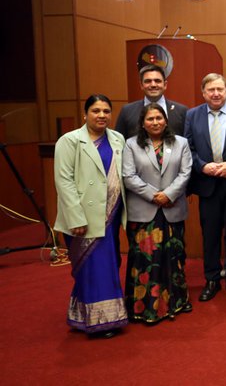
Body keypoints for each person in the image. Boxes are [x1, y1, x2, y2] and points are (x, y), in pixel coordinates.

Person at [54, 94, 128, 338]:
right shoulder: (70, 141)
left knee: (108, 264)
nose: (102, 115)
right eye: (96, 111)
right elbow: (64, 182)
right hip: (83, 219)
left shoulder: (117, 138)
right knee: (92, 268)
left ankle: (82, 315)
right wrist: (76, 218)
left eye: (106, 111)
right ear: (85, 114)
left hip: (111, 215)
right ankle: (100, 321)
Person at [184, 73, 226, 302]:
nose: (215, 94)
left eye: (219, 89)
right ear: (203, 93)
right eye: (210, 90)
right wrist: (202, 167)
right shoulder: (192, 115)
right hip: (207, 185)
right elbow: (188, 149)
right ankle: (211, 278)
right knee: (210, 235)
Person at [122, 103, 193, 323]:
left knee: (173, 258)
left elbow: (185, 172)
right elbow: (128, 176)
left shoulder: (180, 143)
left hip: (172, 209)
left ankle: (176, 302)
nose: (155, 122)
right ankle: (144, 308)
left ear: (166, 120)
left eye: (159, 118)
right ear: (142, 122)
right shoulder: (131, 144)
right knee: (145, 261)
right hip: (144, 212)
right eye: (150, 119)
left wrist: (168, 194)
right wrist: (155, 195)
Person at [116, 64, 188, 139]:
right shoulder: (127, 111)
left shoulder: (181, 111)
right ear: (141, 85)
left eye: (157, 81)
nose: (153, 85)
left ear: (165, 85)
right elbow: (119, 142)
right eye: (148, 81)